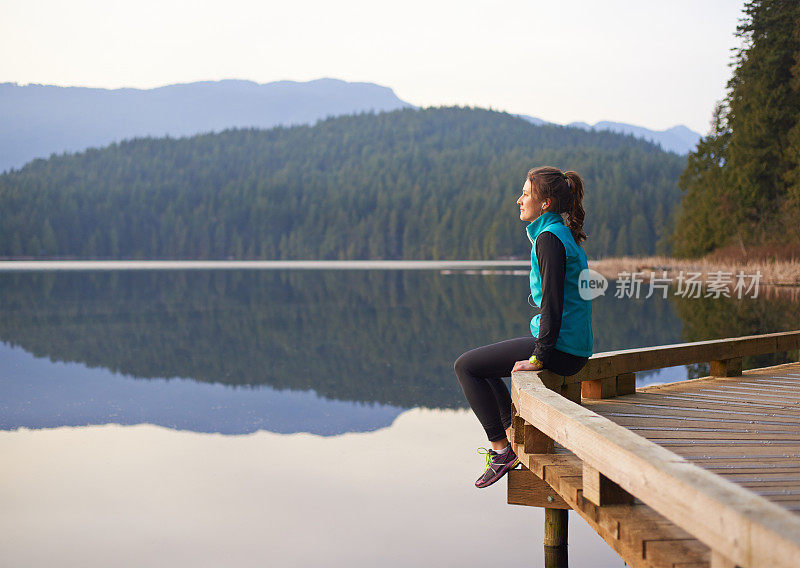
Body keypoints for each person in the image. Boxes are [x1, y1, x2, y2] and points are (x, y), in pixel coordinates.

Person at [454, 166, 593, 488]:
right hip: (573, 344)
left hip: (560, 347)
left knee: (467, 367)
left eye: (526, 194)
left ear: (545, 202)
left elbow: (553, 305)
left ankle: (501, 448)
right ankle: (509, 437)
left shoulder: (548, 239)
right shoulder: (560, 233)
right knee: (479, 367)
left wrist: (538, 357)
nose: (519, 200)